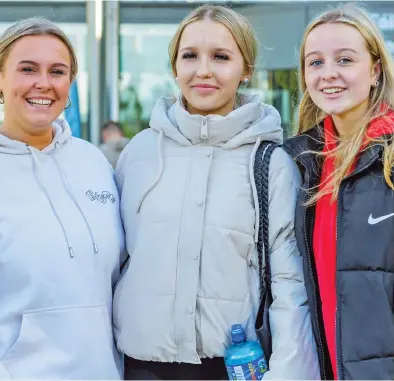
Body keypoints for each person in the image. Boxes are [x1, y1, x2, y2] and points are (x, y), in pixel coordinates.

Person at [113, 4, 320, 380]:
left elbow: (290, 285)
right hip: (140, 367)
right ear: (174, 66)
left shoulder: (271, 163)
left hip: (233, 368)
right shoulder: (139, 153)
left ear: (246, 70)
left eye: (221, 57)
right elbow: (114, 265)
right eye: (190, 55)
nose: (203, 69)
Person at [0, 17, 124, 379]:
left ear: (70, 83)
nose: (43, 83)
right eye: (28, 69)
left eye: (57, 71)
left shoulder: (93, 162)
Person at [285, 4, 394, 380]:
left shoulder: (390, 156)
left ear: (375, 69)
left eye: (344, 59)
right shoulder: (299, 161)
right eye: (315, 63)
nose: (328, 74)